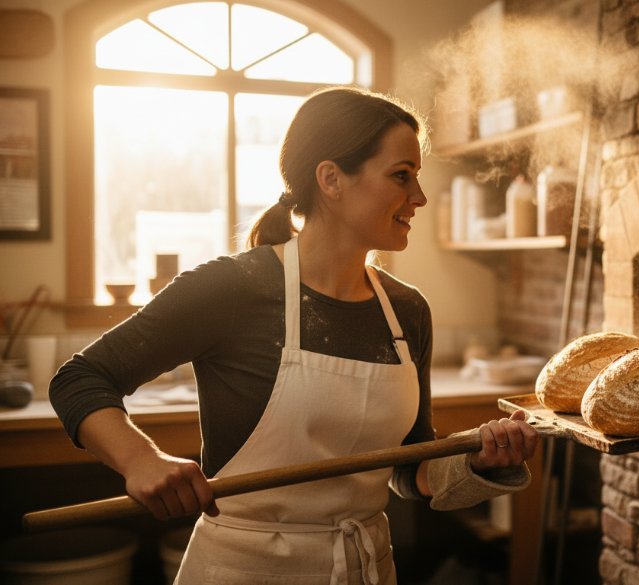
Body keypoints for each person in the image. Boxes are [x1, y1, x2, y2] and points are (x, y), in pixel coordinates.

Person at [49, 86, 539, 584]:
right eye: (401, 175)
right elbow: (80, 379)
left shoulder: (407, 310)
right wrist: (142, 459)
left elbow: (411, 469)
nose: (420, 197)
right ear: (331, 179)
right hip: (245, 571)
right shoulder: (233, 288)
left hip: (365, 568)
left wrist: (475, 460)